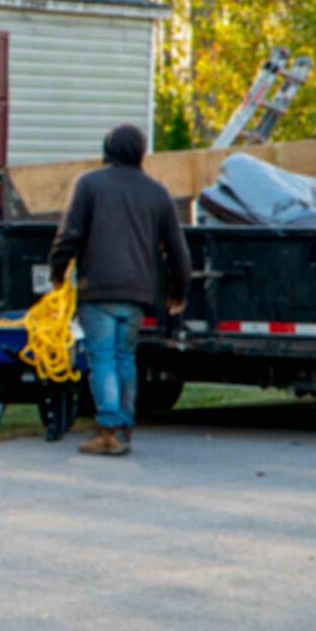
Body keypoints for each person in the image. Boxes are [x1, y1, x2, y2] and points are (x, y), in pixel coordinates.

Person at [48, 123, 191, 457]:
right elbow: (177, 249)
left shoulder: (90, 184)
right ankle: (124, 428)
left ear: (108, 148)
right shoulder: (157, 192)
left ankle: (109, 429)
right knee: (126, 357)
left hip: (97, 289)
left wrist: (58, 272)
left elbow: (69, 235)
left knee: (103, 358)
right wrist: (178, 291)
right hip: (138, 292)